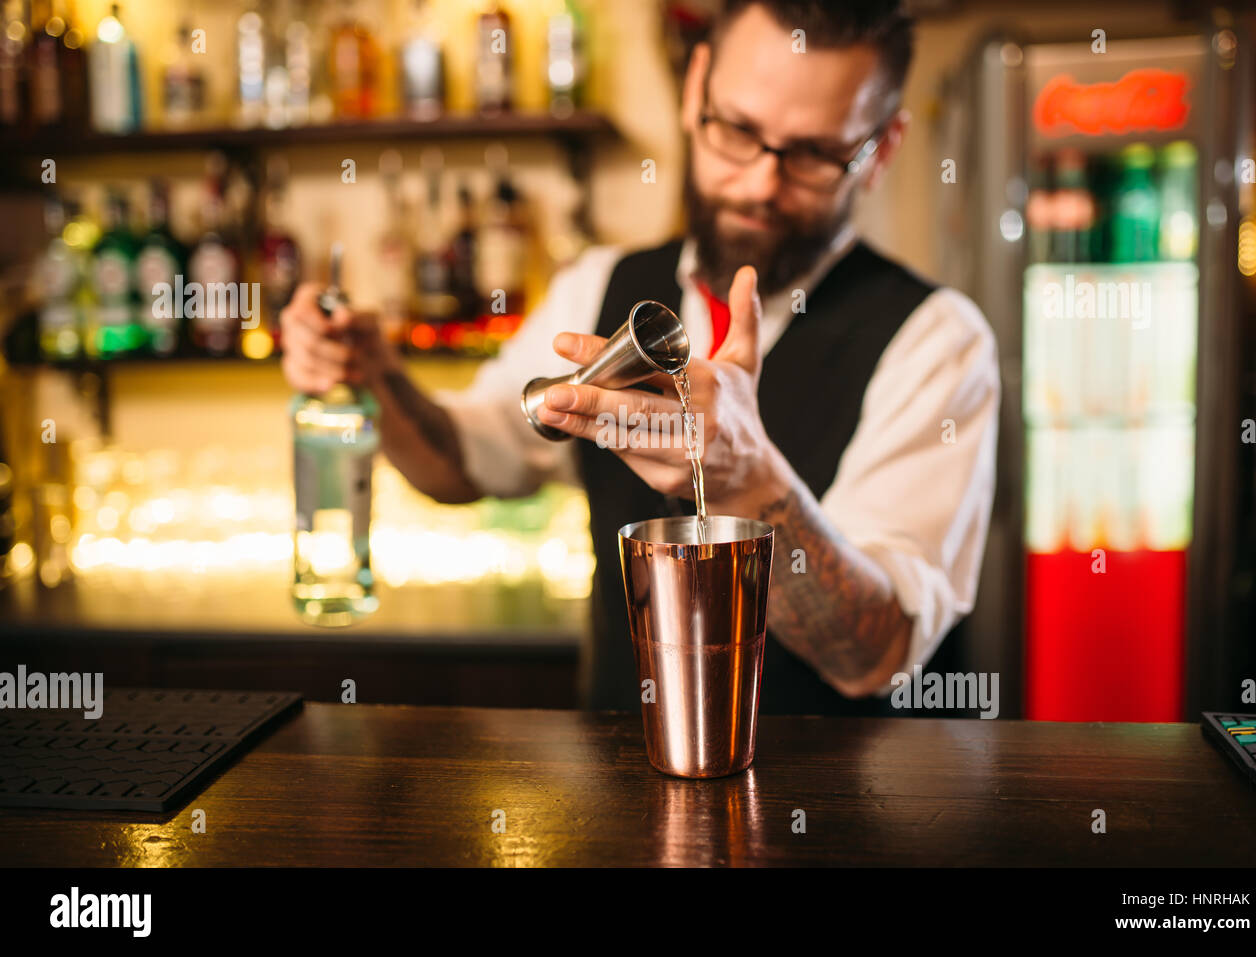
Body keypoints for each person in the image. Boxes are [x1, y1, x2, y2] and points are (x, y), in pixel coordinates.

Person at [280, 0, 1000, 716]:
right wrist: (375, 372)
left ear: (882, 150)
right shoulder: (598, 289)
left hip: (846, 815)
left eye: (813, 154)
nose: (759, 183)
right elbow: (459, 464)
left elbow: (872, 654)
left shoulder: (936, 341)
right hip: (621, 802)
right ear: (696, 92)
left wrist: (748, 483)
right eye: (738, 132)